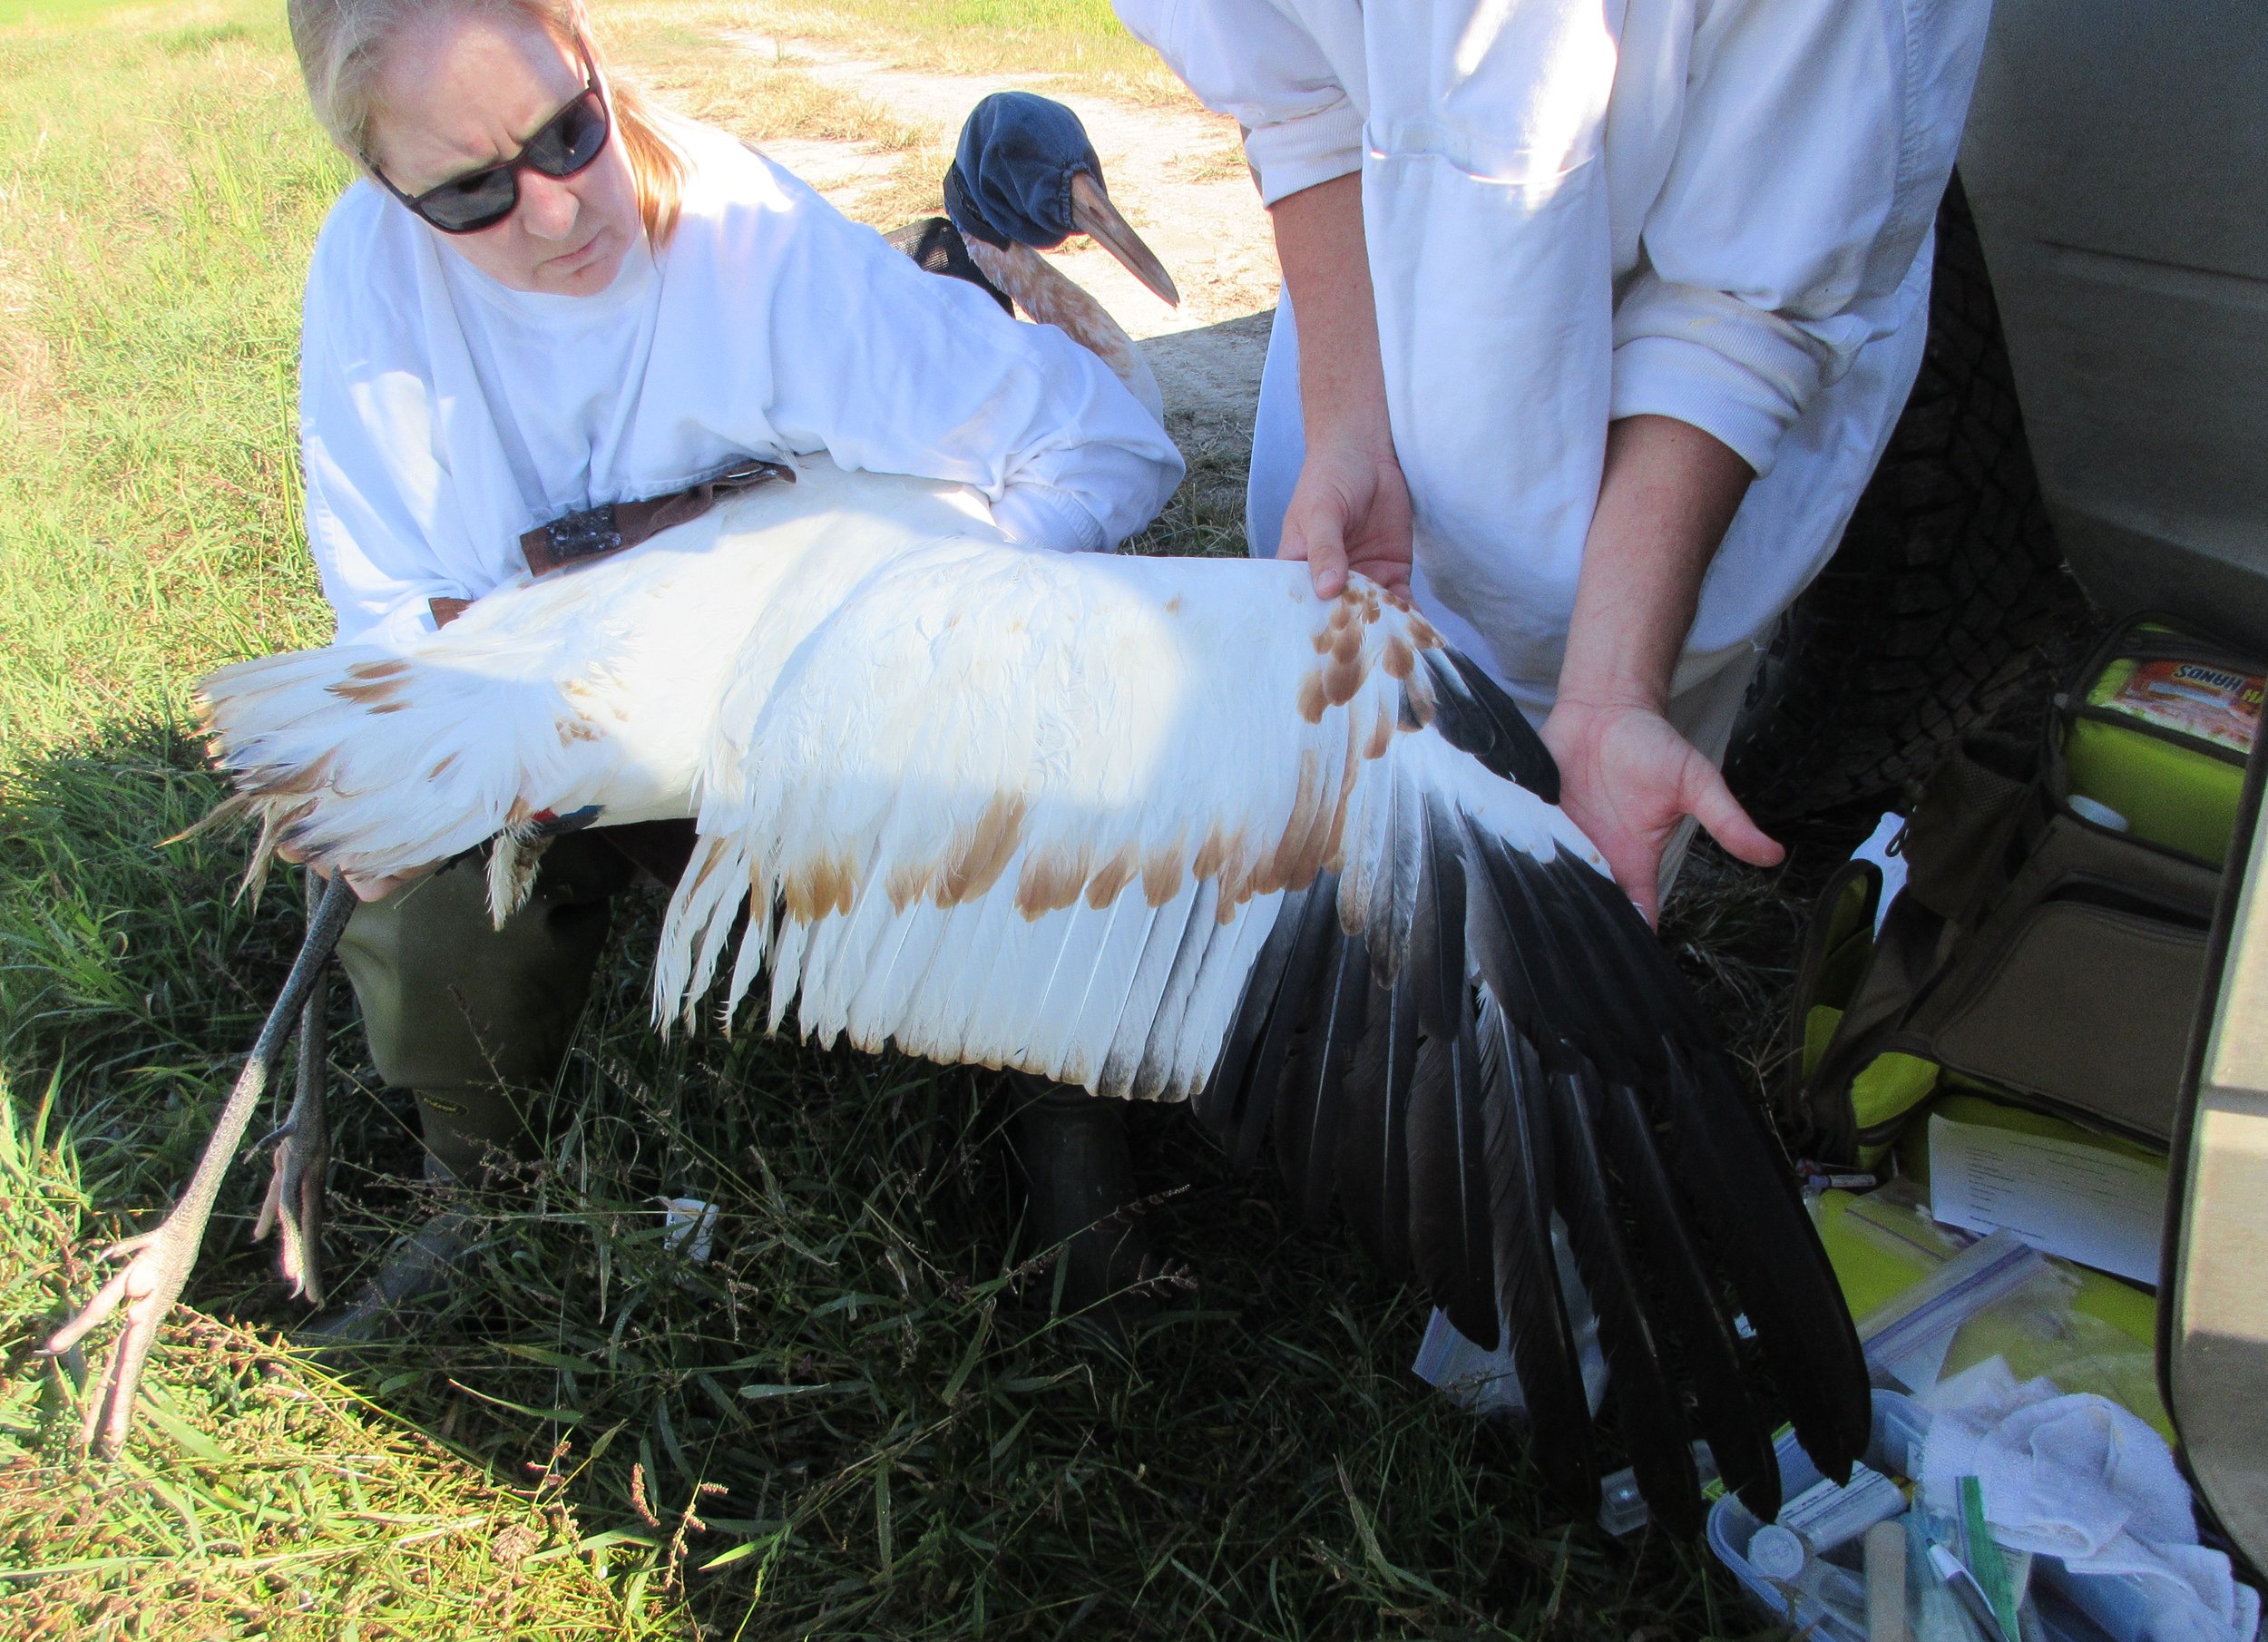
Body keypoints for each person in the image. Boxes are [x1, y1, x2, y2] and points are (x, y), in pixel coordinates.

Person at [282, 0, 1183, 1334]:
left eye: (569, 133)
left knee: (1024, 693)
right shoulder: (371, 284)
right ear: (386, 185)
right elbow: (390, 620)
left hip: (822, 712)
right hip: (576, 732)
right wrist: (415, 760)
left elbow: (1108, 445)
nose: (551, 212)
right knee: (415, 806)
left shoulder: (751, 250)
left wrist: (905, 606)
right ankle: (471, 1180)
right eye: (473, 191)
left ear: (587, 48)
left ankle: (1069, 1133)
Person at [1111, 0, 1991, 924]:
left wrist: (1617, 690)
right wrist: (1348, 429)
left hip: (1670, 460)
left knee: (1560, 931)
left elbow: (1735, 315)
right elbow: (1297, 104)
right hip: (1371, 330)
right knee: (1338, 877)